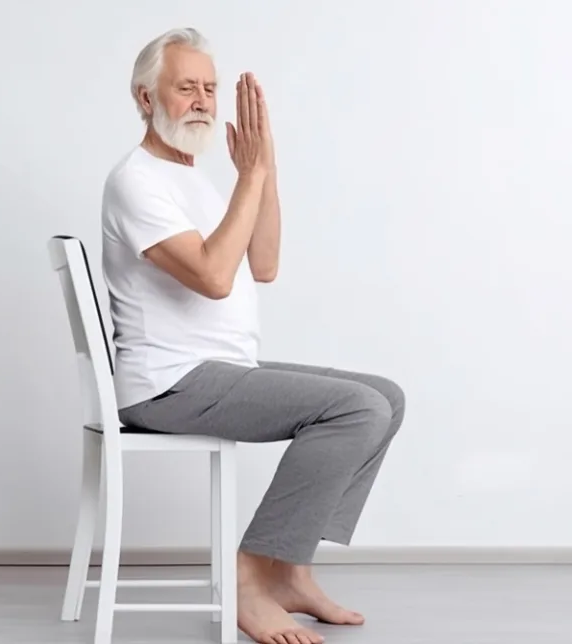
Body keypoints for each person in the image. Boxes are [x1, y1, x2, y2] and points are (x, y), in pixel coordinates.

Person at [100, 27, 405, 644]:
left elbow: (263, 263)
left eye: (210, 89)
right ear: (145, 98)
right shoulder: (138, 181)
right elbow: (215, 277)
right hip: (169, 384)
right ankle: (247, 578)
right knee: (356, 409)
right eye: (186, 88)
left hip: (216, 372)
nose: (203, 102)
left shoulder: (193, 178)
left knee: (385, 397)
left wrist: (264, 170)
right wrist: (248, 179)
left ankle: (290, 571)